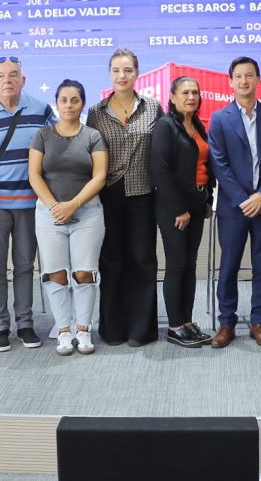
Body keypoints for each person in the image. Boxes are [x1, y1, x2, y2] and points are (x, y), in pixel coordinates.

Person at [0, 55, 53, 352]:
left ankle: (25, 324)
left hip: (31, 205)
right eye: (2, 75)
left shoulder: (41, 110)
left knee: (25, 266)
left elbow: (59, 144)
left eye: (13, 74)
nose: (8, 80)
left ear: (23, 80)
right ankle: (0, 327)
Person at [85, 48, 163, 347]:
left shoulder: (153, 108)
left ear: (137, 73)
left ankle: (141, 330)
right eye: (117, 70)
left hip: (143, 193)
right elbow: (88, 154)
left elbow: (163, 151)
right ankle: (113, 329)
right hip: (108, 195)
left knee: (143, 261)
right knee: (111, 261)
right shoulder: (96, 112)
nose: (122, 75)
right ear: (109, 74)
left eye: (128, 70)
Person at [208, 56, 261, 349]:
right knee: (229, 265)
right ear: (230, 82)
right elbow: (219, 165)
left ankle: (258, 322)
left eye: (249, 75)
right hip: (233, 207)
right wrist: (243, 200)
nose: (244, 81)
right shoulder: (220, 118)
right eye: (238, 76)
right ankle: (226, 323)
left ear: (258, 80)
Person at [29, 80, 108, 356]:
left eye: (75, 100)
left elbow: (99, 176)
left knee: (84, 273)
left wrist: (73, 205)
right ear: (57, 103)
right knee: (56, 274)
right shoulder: (42, 135)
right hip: (49, 215)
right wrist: (55, 207)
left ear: (82, 104)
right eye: (64, 100)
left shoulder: (93, 136)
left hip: (87, 214)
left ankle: (83, 329)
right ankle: (64, 330)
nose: (69, 105)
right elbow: (34, 175)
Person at [150, 76, 216, 348]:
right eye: (185, 92)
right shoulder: (165, 126)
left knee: (190, 264)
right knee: (177, 264)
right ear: (172, 97)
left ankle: (187, 322)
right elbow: (160, 172)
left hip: (197, 206)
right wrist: (179, 209)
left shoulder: (197, 125)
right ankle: (174, 326)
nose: (191, 97)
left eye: (195, 93)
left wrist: (208, 199)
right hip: (173, 209)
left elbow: (205, 166)